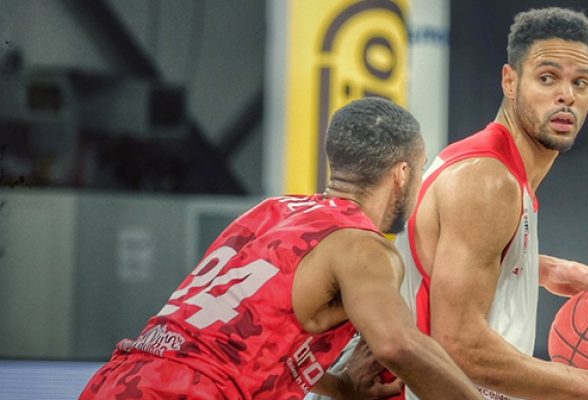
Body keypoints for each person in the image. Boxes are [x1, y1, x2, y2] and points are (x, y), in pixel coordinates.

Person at [80, 97, 482, 400]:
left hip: (120, 378)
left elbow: (234, 344)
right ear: (402, 174)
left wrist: (341, 388)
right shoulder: (362, 245)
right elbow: (398, 344)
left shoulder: (271, 211)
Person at [393, 7, 588, 400]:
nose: (566, 95)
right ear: (510, 81)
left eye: (581, 82)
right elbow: (460, 345)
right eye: (547, 78)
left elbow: (450, 259)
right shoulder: (488, 180)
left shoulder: (498, 169)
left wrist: (539, 268)